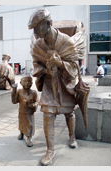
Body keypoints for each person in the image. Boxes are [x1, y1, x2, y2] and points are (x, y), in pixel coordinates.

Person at [28, 8, 86, 165]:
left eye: (36, 27)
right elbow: (36, 64)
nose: (34, 32)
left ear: (47, 24)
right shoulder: (38, 45)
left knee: (69, 113)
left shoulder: (66, 41)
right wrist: (47, 68)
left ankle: (72, 137)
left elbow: (75, 66)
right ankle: (50, 150)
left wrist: (60, 63)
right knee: (48, 115)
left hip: (64, 83)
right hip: (48, 83)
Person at [11, 75, 38, 147]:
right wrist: (14, 90)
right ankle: (21, 133)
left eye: (29, 82)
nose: (27, 83)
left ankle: (29, 138)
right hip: (22, 111)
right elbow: (14, 101)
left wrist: (34, 105)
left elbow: (37, 101)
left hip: (29, 113)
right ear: (21, 83)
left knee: (29, 125)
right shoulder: (19, 92)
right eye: (25, 81)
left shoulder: (33, 92)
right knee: (21, 123)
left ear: (32, 83)